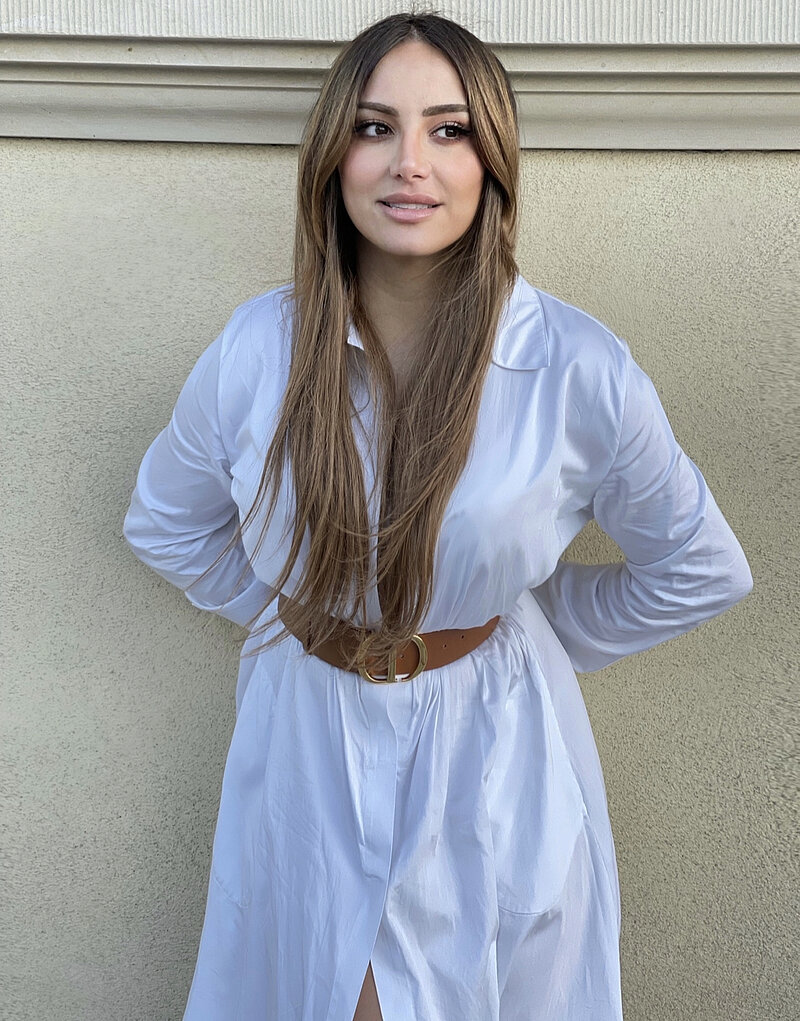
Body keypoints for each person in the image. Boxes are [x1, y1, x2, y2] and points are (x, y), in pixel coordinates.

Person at [123, 12, 753, 1021]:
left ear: (491, 159)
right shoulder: (258, 349)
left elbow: (698, 567)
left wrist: (514, 623)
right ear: (332, 158)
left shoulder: (573, 367)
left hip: (491, 750)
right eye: (374, 127)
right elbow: (165, 522)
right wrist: (308, 618)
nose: (407, 163)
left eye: (448, 130)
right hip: (307, 735)